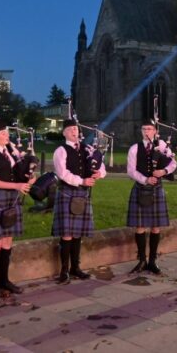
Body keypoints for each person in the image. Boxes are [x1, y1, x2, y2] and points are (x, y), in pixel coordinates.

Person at [0, 120, 34, 300]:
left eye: (6, 132)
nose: (6, 135)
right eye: (2, 133)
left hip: (12, 198)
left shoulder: (11, 151)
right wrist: (16, 185)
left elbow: (20, 171)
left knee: (7, 241)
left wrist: (28, 177)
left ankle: (5, 280)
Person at [52, 118, 106, 284]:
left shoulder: (87, 149)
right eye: (70, 130)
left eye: (76, 129)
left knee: (78, 234)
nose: (74, 132)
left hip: (83, 194)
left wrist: (99, 174)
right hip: (68, 193)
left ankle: (76, 268)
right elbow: (62, 173)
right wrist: (82, 181)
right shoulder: (60, 150)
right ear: (64, 133)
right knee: (67, 234)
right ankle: (64, 270)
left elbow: (101, 166)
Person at [125, 119, 177, 275]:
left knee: (155, 227)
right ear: (141, 131)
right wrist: (145, 179)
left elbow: (173, 163)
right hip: (141, 188)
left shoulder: (162, 146)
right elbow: (131, 170)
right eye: (144, 129)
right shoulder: (134, 148)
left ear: (155, 131)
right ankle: (142, 261)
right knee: (140, 226)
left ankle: (153, 261)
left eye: (149, 129)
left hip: (157, 189)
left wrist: (163, 172)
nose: (146, 131)